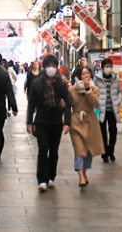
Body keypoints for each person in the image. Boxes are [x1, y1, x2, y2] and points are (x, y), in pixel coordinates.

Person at [27, 54, 71, 192]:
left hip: (56, 121)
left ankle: (51, 177)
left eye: (53, 66)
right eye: (48, 66)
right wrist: (29, 121)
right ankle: (41, 179)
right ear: (44, 67)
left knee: (54, 151)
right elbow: (31, 104)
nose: (51, 68)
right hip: (41, 121)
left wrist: (67, 122)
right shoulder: (37, 83)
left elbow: (67, 103)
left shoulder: (61, 84)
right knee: (43, 148)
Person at [69, 66, 105, 188]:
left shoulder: (94, 89)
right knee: (79, 150)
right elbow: (67, 104)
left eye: (88, 74)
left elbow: (95, 103)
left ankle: (84, 172)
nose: (86, 76)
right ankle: (81, 176)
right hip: (77, 122)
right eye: (83, 75)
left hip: (90, 122)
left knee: (89, 150)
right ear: (79, 76)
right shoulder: (72, 90)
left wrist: (88, 91)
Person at [94, 57, 122, 163]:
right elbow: (94, 92)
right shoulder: (97, 78)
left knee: (113, 131)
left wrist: (118, 101)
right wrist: (96, 102)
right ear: (102, 68)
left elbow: (120, 91)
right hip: (101, 109)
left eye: (110, 66)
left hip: (112, 109)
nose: (109, 68)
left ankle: (111, 151)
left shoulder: (115, 78)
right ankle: (105, 154)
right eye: (106, 66)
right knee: (102, 133)